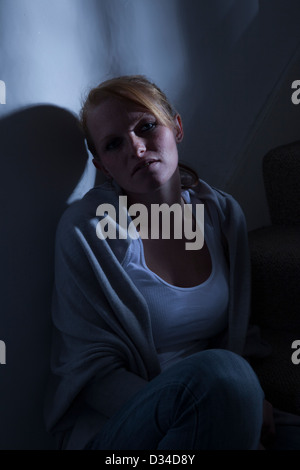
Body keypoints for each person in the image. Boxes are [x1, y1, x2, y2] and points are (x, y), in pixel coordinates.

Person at [44, 75, 273, 450]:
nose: (136, 148)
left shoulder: (222, 214)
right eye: (115, 143)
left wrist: (247, 399)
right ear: (101, 163)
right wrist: (214, 399)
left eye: (146, 126)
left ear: (176, 127)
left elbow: (240, 331)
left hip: (221, 404)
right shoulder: (86, 231)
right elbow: (91, 376)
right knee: (224, 374)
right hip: (125, 426)